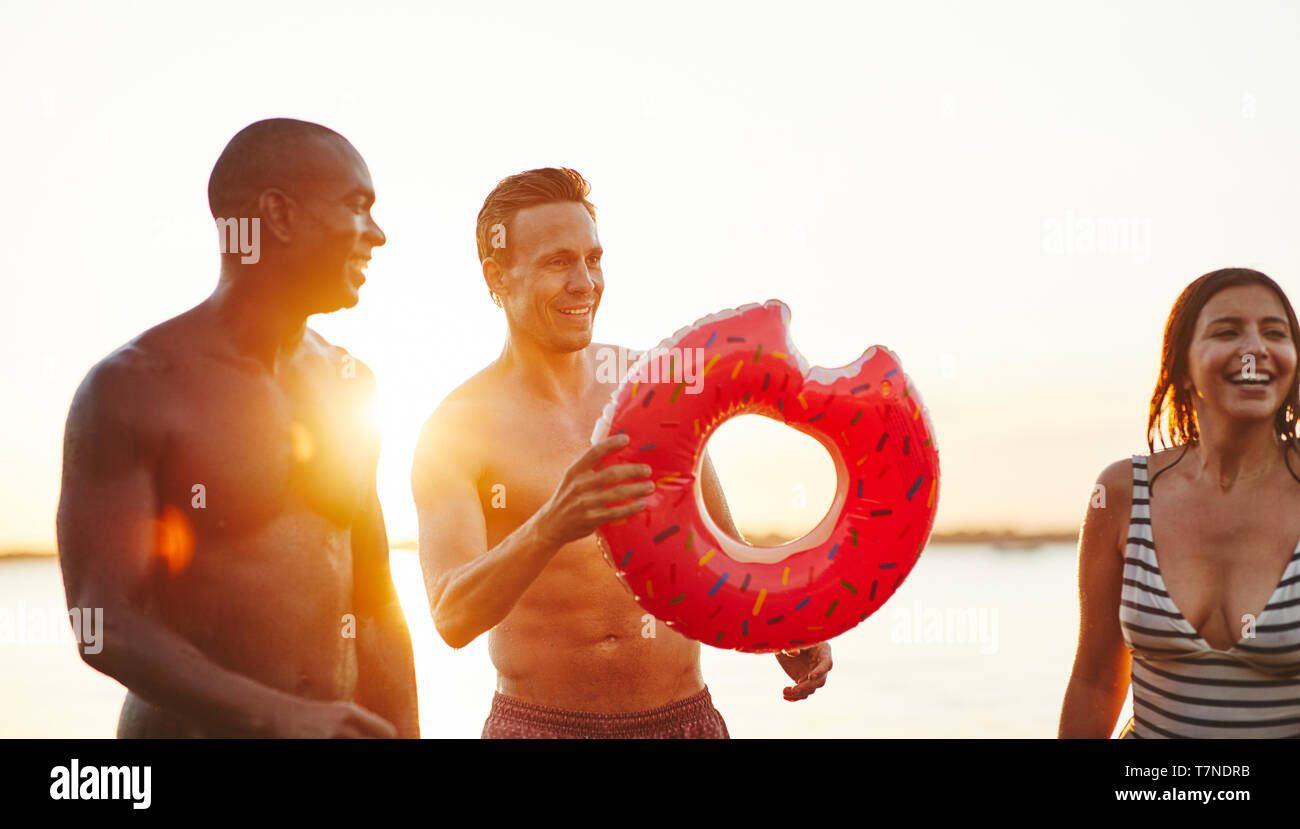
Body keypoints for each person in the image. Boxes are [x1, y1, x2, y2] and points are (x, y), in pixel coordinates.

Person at [412, 167, 832, 738]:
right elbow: (452, 616)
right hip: (538, 727)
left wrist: (778, 626)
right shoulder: (456, 429)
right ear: (498, 276)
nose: (585, 281)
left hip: (683, 721)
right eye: (557, 262)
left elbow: (725, 557)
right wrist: (552, 524)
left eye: (593, 258)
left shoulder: (651, 387)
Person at [55, 118, 419, 738]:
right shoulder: (133, 386)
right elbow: (101, 622)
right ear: (277, 216)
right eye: (359, 207)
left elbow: (377, 603)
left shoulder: (350, 384)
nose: (378, 235)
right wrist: (281, 717)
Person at [1060, 267, 1300, 738]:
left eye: (1275, 332)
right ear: (1183, 367)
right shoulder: (1123, 495)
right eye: (1227, 331)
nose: (1255, 349)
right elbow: (1095, 681)